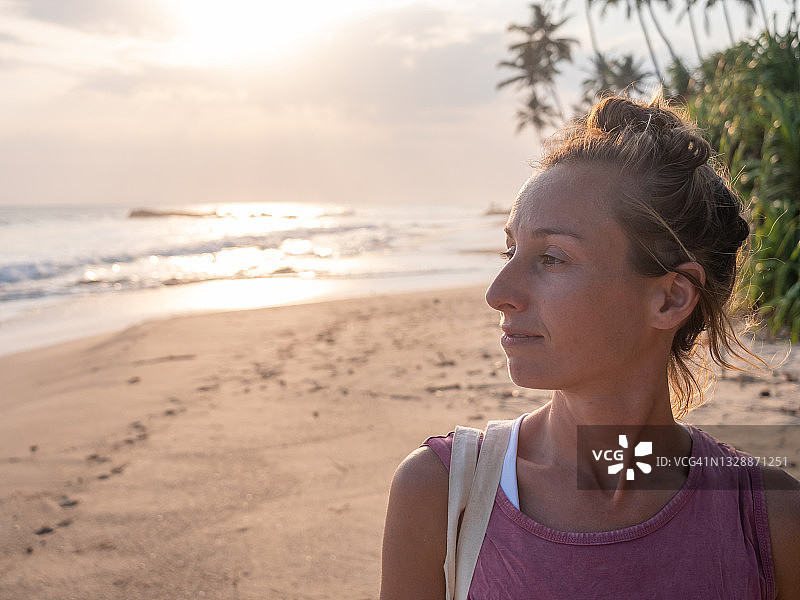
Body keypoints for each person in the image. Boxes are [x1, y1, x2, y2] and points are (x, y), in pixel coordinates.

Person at [379, 95, 800, 599]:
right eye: (510, 250)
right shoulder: (443, 492)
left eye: (551, 258)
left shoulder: (770, 520)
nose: (498, 294)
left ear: (669, 298)